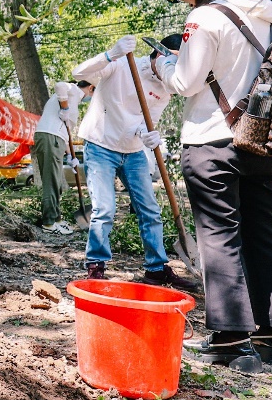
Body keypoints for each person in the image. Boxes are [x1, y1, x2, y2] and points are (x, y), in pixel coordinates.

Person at [153, 0, 272, 373]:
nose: (187, 1)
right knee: (263, 231)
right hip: (262, 141)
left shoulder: (206, 18)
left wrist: (162, 62)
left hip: (211, 139)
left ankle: (233, 341)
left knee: (219, 234)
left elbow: (185, 82)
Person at [71, 34, 198, 291]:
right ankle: (96, 266)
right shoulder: (122, 64)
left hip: (133, 151)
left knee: (149, 210)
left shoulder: (166, 89)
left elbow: (146, 121)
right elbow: (77, 72)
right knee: (104, 209)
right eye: (174, 61)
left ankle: (156, 268)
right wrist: (111, 53)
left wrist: (147, 135)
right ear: (159, 56)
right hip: (100, 145)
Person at [32, 80, 89, 233]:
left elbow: (65, 132)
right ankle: (49, 223)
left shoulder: (73, 98)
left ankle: (56, 218)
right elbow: (60, 85)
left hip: (55, 138)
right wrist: (65, 108)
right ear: (91, 87)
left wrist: (71, 156)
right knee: (51, 181)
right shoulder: (75, 90)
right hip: (50, 137)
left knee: (56, 181)